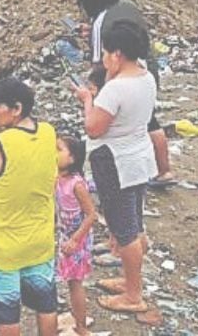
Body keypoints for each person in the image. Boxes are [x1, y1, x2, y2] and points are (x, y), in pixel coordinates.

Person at [72, 21, 155, 315]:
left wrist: (87, 100)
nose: (104, 59)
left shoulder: (114, 90)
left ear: (117, 54)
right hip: (139, 157)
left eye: (107, 53)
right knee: (134, 223)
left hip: (115, 162)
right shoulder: (145, 76)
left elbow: (94, 128)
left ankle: (133, 295)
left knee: (124, 231)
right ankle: (131, 281)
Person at [0, 77, 59, 336]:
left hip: (4, 248)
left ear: (17, 108)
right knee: (46, 306)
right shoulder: (48, 132)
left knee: (8, 316)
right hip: (40, 242)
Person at [74, 0, 173, 186]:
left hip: (122, 75)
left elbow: (99, 63)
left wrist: (93, 92)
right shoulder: (126, 6)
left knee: (113, 125)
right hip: (144, 70)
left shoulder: (101, 22)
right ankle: (164, 171)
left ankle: (113, 174)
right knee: (149, 121)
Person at [55, 134, 96, 336]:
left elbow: (91, 215)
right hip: (66, 235)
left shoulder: (76, 184)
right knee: (71, 281)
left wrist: (74, 240)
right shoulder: (58, 178)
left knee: (75, 282)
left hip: (77, 238)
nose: (53, 154)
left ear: (72, 158)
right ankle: (78, 320)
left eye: (58, 150)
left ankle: (81, 328)